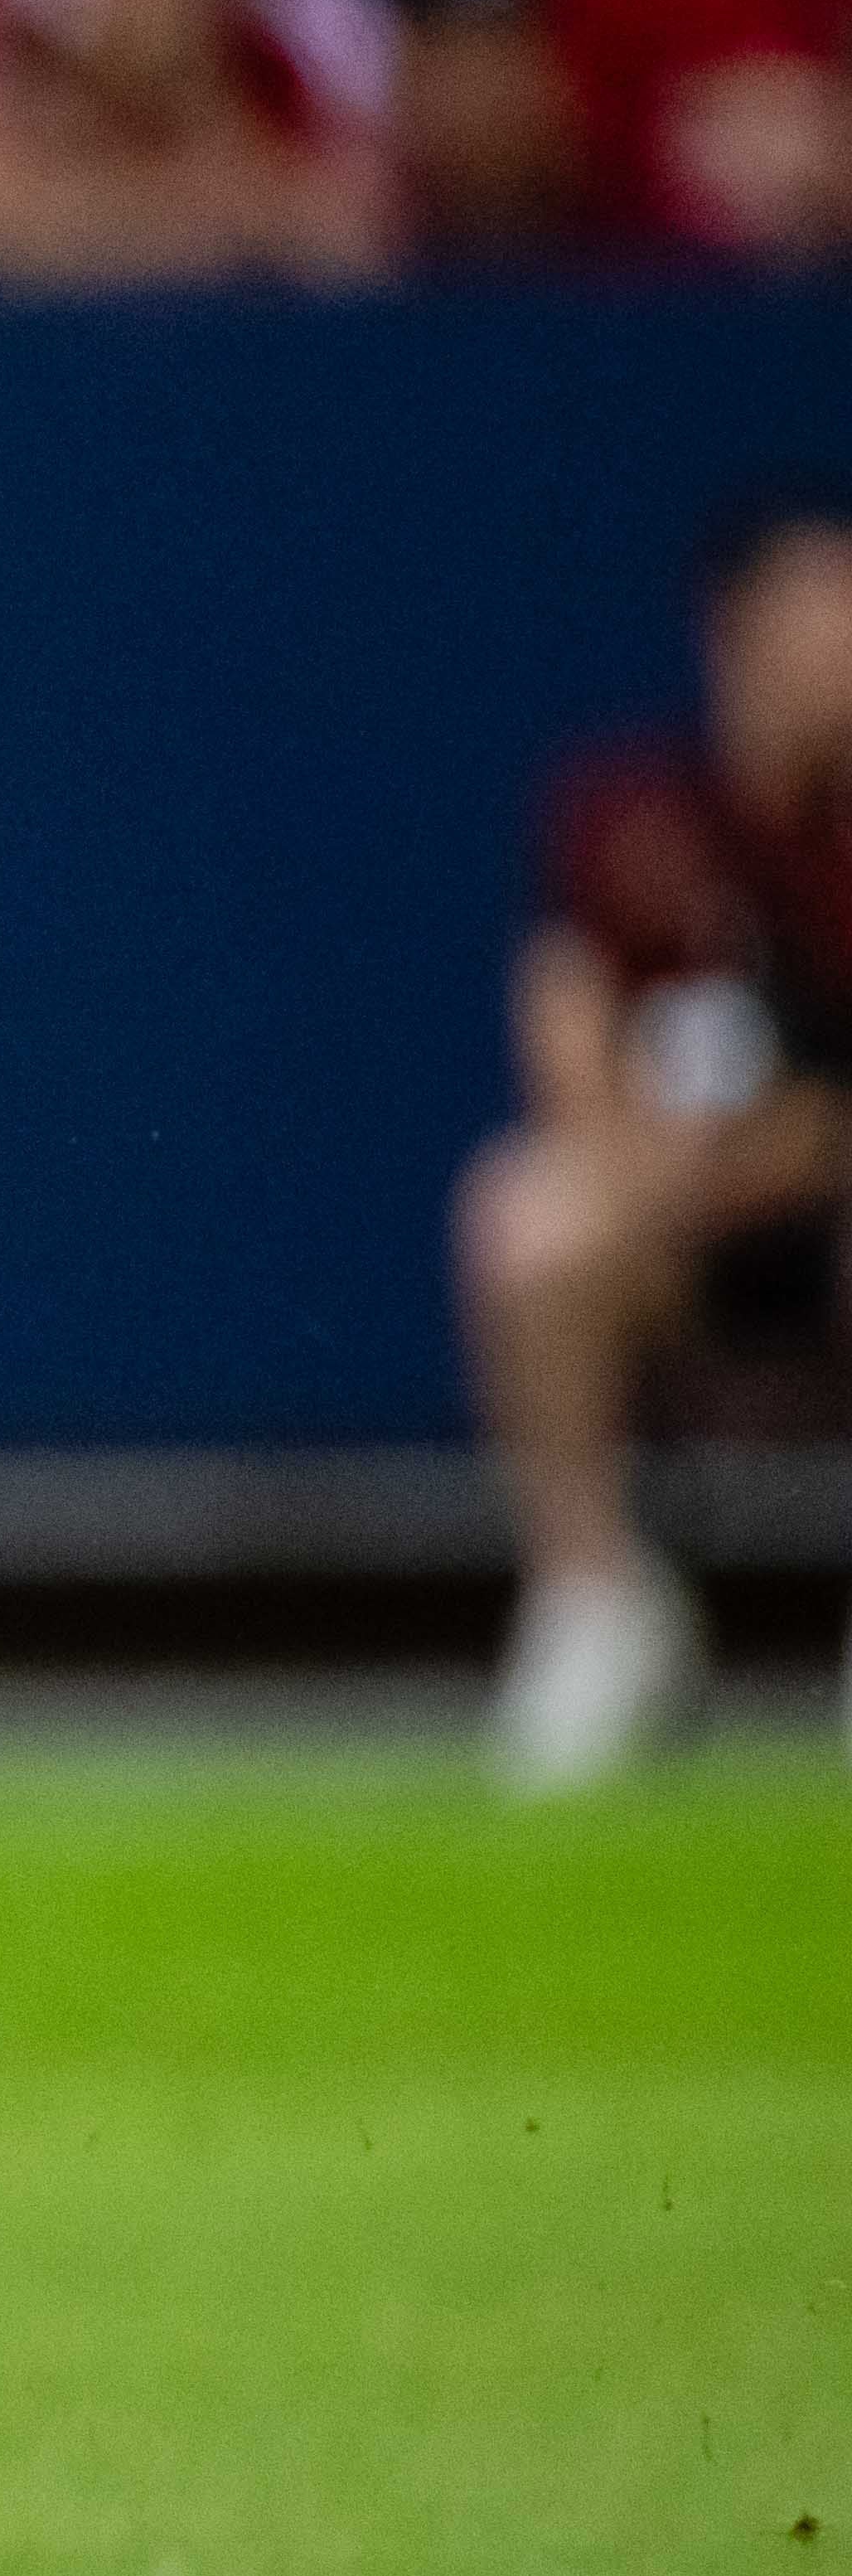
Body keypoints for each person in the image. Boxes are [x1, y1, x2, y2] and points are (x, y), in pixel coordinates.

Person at [461, 488, 852, 1788]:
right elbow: (568, 1038)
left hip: (833, 1220)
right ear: (735, 627)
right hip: (679, 1221)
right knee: (526, 1214)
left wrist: (792, 1151)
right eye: (825, 606)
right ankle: (598, 1607)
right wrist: (664, 1167)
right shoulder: (622, 814)